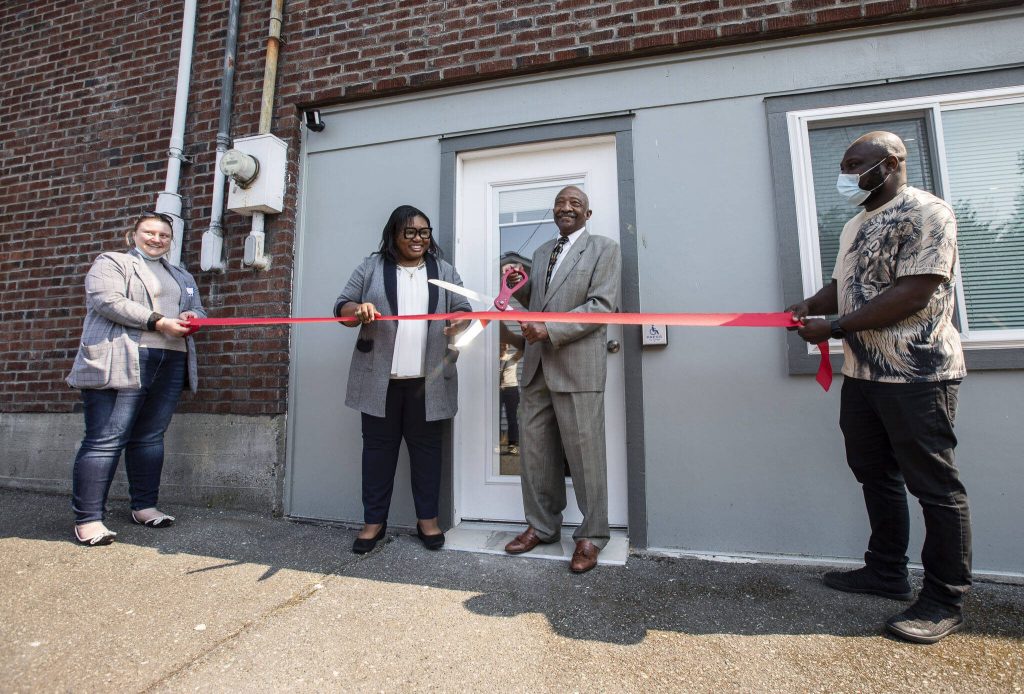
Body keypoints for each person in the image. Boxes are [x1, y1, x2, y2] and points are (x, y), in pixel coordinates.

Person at [788, 131, 970, 644]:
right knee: (874, 473)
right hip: (863, 375)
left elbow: (913, 292)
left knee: (935, 487)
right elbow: (845, 285)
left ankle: (943, 599)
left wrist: (836, 327)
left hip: (918, 374)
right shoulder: (856, 223)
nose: (845, 176)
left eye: (854, 165)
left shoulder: (927, 213)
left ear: (889, 164)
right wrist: (812, 304)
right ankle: (886, 570)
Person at [334, 205, 471, 554]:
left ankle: (427, 521)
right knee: (378, 454)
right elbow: (341, 308)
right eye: (409, 232)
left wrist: (460, 322)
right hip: (380, 382)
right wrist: (358, 310)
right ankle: (373, 523)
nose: (418, 239)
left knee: (427, 454)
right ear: (393, 234)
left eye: (424, 232)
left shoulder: (444, 270)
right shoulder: (372, 267)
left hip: (428, 382)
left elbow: (464, 311)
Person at [66, 211, 206, 546]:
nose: (157, 239)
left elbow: (198, 309)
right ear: (134, 234)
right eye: (150, 232)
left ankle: (144, 506)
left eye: (164, 235)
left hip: (171, 360)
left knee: (150, 437)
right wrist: (159, 321)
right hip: (124, 359)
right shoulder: (112, 262)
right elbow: (107, 301)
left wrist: (191, 316)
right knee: (105, 438)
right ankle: (88, 519)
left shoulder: (182, 274)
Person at [502, 186, 621, 573]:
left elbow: (600, 307)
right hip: (536, 366)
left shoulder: (604, 249)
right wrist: (519, 286)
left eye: (575, 203)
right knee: (535, 454)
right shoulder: (539, 254)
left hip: (577, 366)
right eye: (559, 203)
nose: (565, 208)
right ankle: (541, 526)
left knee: (585, 457)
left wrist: (548, 328)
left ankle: (592, 535)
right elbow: (540, 301)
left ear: (588, 214)